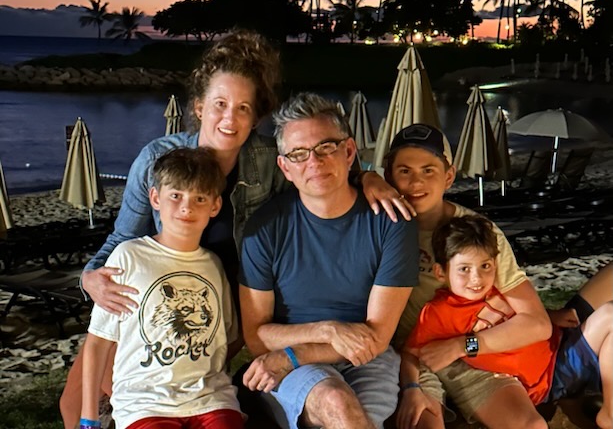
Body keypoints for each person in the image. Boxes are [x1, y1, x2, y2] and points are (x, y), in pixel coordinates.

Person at [60, 30, 410, 428]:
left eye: (243, 108)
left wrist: (368, 179)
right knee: (78, 406)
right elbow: (123, 239)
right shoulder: (159, 160)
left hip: (219, 311)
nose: (230, 118)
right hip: (154, 303)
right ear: (199, 106)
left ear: (256, 116)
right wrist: (89, 276)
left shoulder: (267, 161)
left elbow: (318, 173)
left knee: (189, 401)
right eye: (220, 104)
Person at [239, 93, 420, 429]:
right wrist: (328, 331)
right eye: (298, 154)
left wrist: (292, 354)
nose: (314, 162)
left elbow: (376, 337)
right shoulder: (264, 229)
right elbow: (255, 336)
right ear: (285, 167)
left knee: (348, 416)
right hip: (295, 369)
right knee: (337, 403)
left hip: (364, 359)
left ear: (349, 152)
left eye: (326, 147)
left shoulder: (392, 222)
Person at [384, 124, 553, 429]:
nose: (416, 182)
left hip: (473, 350)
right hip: (415, 354)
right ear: (388, 176)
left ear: (449, 176)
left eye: (428, 170)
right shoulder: (380, 225)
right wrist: (365, 178)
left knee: (532, 426)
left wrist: (463, 346)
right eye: (404, 171)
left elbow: (537, 323)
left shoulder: (476, 232)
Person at [81, 147, 243, 429]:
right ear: (156, 197)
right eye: (176, 196)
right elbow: (98, 343)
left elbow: (225, 339)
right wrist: (88, 419)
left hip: (211, 400)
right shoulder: (128, 256)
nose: (186, 207)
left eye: (199, 198)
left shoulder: (214, 265)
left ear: (214, 206)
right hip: (144, 404)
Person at [405, 214, 612, 429]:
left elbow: (524, 317)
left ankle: (609, 415)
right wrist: (411, 387)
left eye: (484, 266)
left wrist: (549, 314)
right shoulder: (439, 312)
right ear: (441, 272)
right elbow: (411, 353)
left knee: (610, 315)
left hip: (562, 353)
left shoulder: (500, 288)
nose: (476, 279)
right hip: (539, 384)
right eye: (464, 269)